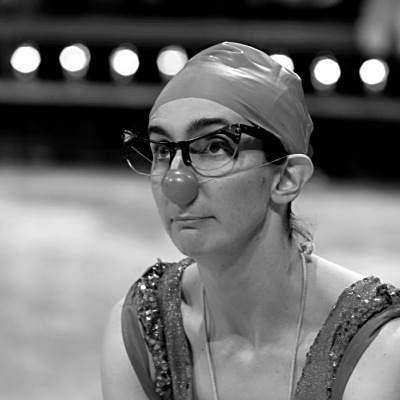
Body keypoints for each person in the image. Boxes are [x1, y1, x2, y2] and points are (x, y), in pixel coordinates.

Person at [101, 42, 400, 400]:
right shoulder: (144, 327)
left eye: (214, 147)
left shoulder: (380, 348)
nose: (176, 182)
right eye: (164, 151)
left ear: (286, 178)